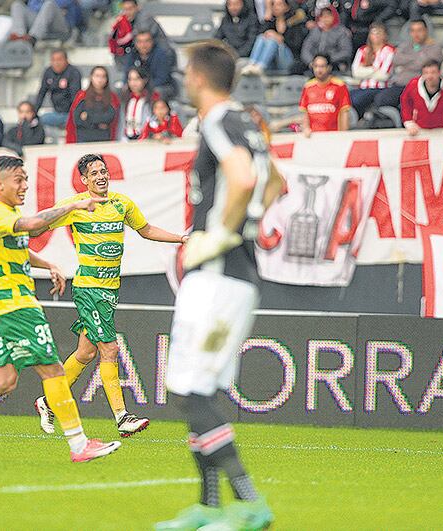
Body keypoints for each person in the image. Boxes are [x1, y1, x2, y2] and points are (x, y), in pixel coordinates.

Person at [155, 40, 282, 531]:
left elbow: (246, 178)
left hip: (218, 278)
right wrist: (247, 225)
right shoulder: (249, 123)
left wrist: (222, 234)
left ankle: (249, 502)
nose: (185, 80)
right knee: (195, 388)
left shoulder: (217, 119)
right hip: (237, 277)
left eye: (188, 72)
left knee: (189, 389)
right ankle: (208, 507)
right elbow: (276, 184)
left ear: (200, 78)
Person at [0, 155, 121, 463]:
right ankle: (79, 444)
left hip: (7, 304)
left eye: (26, 179)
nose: (25, 185)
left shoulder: (6, 212)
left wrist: (46, 264)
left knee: (4, 380)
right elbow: (34, 224)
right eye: (19, 180)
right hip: (16, 305)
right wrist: (72, 206)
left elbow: (19, 246)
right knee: (52, 370)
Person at [32, 153, 187, 439]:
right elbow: (40, 225)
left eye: (103, 171)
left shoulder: (121, 204)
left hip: (110, 289)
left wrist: (181, 238)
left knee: (86, 352)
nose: (101, 177)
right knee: (110, 349)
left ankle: (49, 401)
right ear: (84, 180)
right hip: (89, 289)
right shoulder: (74, 206)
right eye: (94, 174)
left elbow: (147, 229)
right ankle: (121, 416)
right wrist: (22, 229)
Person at [370, 17, 442, 110]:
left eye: (419, 30)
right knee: (380, 99)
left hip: (420, 87)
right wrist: (417, 57)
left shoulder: (435, 48)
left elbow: (423, 64)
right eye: (413, 31)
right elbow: (396, 59)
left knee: (406, 104)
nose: (416, 34)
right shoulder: (405, 46)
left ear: (426, 31)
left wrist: (406, 63)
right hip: (399, 85)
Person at [400, 58, 443, 135]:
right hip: (419, 131)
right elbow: (405, 101)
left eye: (433, 72)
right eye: (426, 73)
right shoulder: (413, 85)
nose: (429, 76)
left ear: (439, 73)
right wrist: (409, 123)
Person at [242, 0, 307, 74]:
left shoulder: (294, 23)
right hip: (272, 62)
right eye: (273, 5)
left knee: (272, 41)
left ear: (287, 7)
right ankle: (252, 64)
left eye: (279, 4)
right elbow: (261, 33)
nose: (276, 7)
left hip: (289, 61)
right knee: (261, 37)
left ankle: (260, 67)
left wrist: (281, 38)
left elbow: (297, 44)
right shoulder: (271, 21)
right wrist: (267, 18)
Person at [349, 22, 395, 118]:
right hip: (362, 87)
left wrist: (364, 70)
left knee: (356, 100)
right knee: (346, 97)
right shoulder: (362, 50)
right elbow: (355, 73)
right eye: (373, 33)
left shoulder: (390, 50)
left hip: (380, 88)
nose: (376, 36)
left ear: (385, 35)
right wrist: (374, 69)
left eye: (379, 33)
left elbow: (384, 75)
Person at [299, 53, 351, 135]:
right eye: (316, 66)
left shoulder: (339, 86)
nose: (318, 70)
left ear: (329, 68)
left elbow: (344, 112)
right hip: (313, 137)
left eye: (322, 66)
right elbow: (305, 113)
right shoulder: (308, 87)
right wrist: (306, 129)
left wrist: (343, 135)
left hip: (333, 136)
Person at [66, 65, 120, 143]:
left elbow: (110, 118)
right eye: (97, 76)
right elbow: (76, 120)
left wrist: (88, 117)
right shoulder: (82, 96)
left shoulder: (112, 97)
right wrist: (98, 124)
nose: (100, 80)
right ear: (91, 77)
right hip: (84, 139)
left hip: (104, 139)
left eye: (103, 77)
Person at [34, 49, 82, 128]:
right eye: (53, 60)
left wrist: (75, 115)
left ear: (66, 60)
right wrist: (34, 114)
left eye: (59, 60)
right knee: (39, 121)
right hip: (56, 113)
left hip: (70, 113)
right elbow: (41, 94)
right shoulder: (48, 72)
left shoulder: (74, 72)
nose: (56, 63)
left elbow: (75, 96)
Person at [126, 30, 177, 100]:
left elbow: (162, 79)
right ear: (135, 43)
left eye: (146, 41)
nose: (143, 45)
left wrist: (143, 86)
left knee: (156, 91)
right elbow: (127, 73)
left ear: (152, 42)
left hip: (161, 87)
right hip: (140, 85)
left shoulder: (162, 54)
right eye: (140, 42)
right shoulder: (132, 54)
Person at [300, 5, 351, 73]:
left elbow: (346, 52)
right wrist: (312, 61)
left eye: (329, 15)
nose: (326, 18)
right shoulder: (314, 31)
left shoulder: (341, 32)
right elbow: (305, 49)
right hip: (314, 63)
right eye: (323, 16)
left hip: (334, 63)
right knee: (296, 68)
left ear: (333, 17)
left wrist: (326, 60)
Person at [9, 0, 76, 44]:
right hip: (41, 23)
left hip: (63, 27)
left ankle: (32, 38)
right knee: (17, 5)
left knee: (50, 4)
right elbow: (32, 7)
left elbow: (60, 4)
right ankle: (19, 37)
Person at [120, 66, 153, 141]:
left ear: (144, 80)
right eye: (130, 79)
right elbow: (122, 123)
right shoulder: (125, 100)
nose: (133, 83)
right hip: (127, 139)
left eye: (137, 79)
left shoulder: (150, 99)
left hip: (145, 140)